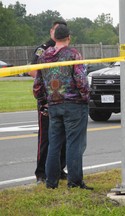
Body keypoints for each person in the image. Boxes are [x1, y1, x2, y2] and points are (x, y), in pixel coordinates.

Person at [33, 24, 93, 190]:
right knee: (74, 143)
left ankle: (51, 182)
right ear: (69, 37)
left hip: (53, 104)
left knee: (54, 144)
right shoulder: (73, 54)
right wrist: (86, 97)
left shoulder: (43, 56)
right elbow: (81, 80)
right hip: (74, 104)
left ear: (55, 37)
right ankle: (74, 182)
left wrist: (43, 100)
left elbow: (37, 84)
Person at [29, 20, 68, 184]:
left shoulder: (67, 50)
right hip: (47, 99)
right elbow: (32, 71)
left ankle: (59, 169)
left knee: (64, 136)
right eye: (56, 29)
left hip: (64, 99)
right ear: (51, 31)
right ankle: (41, 173)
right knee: (45, 136)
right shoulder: (43, 49)